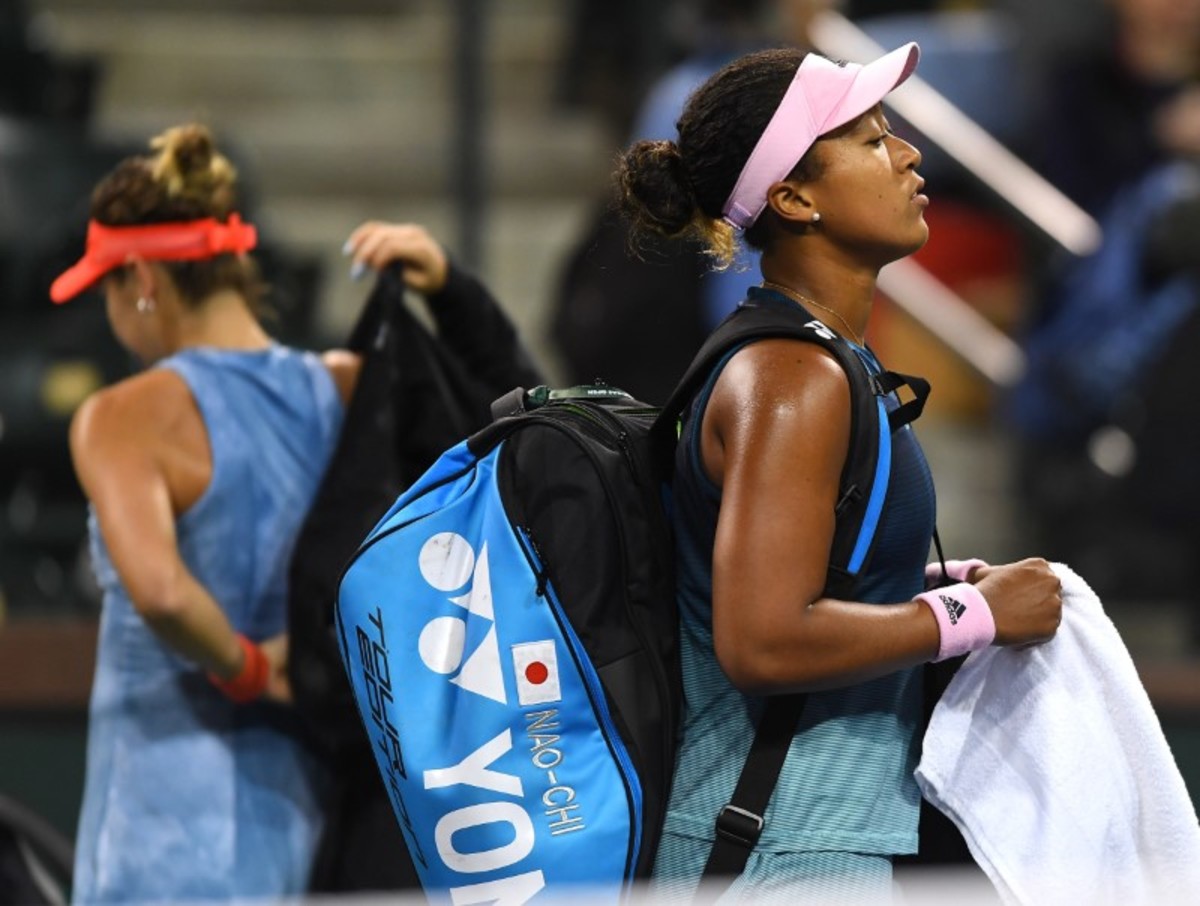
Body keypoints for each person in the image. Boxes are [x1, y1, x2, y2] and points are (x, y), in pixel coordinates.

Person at [614, 44, 1063, 900]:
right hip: (770, 854)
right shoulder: (794, 381)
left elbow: (804, 583)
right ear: (794, 197)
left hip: (800, 847)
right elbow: (764, 638)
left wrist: (929, 583)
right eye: (870, 139)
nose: (909, 155)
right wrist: (969, 615)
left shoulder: (820, 363)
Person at [52, 124, 358, 904]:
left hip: (157, 848)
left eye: (106, 290)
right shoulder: (345, 387)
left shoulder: (122, 417)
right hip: (308, 830)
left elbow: (161, 592)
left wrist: (248, 669)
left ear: (141, 278)